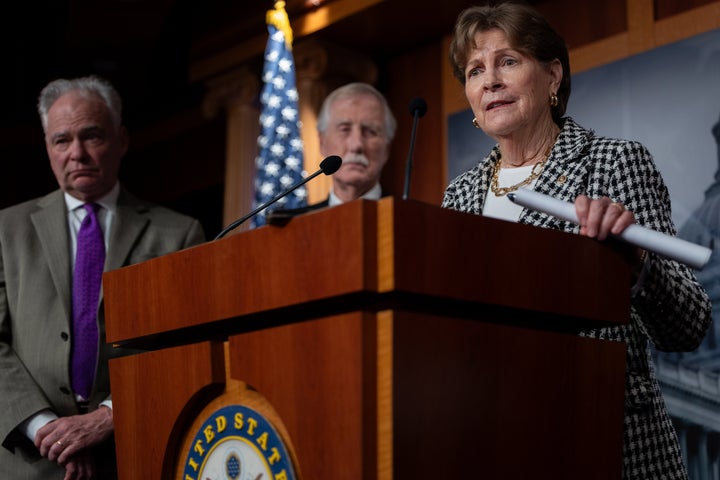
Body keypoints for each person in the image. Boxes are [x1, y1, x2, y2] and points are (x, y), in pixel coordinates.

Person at [442, 2, 711, 479]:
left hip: (610, 444)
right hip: (495, 443)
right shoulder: (458, 196)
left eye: (507, 61)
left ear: (552, 76)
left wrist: (638, 265)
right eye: (475, 70)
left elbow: (687, 325)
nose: (490, 81)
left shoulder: (613, 163)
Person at [0, 75, 206, 479]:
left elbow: (186, 346)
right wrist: (48, 432)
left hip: (135, 452)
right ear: (47, 147)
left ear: (122, 139)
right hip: (29, 460)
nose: (77, 153)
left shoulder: (179, 233)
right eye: (61, 140)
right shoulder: (5, 231)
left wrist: (109, 417)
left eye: (92, 136)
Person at [267, 82, 396, 222]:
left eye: (370, 131)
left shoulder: (411, 219)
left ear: (387, 149)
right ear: (322, 143)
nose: (356, 145)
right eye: (344, 129)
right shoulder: (296, 226)